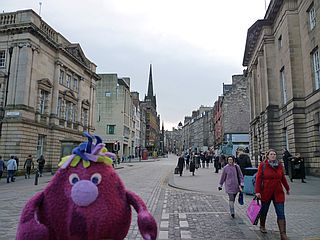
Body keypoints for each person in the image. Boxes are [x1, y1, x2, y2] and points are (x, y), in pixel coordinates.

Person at [255, 149, 290, 240]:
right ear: (267, 156)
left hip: (278, 192)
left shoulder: (279, 165)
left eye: (274, 154)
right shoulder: (263, 165)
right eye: (271, 154)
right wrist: (257, 191)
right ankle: (262, 225)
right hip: (266, 192)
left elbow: (282, 178)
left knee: (281, 213)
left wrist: (287, 188)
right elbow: (258, 179)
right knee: (264, 210)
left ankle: (283, 234)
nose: (273, 155)